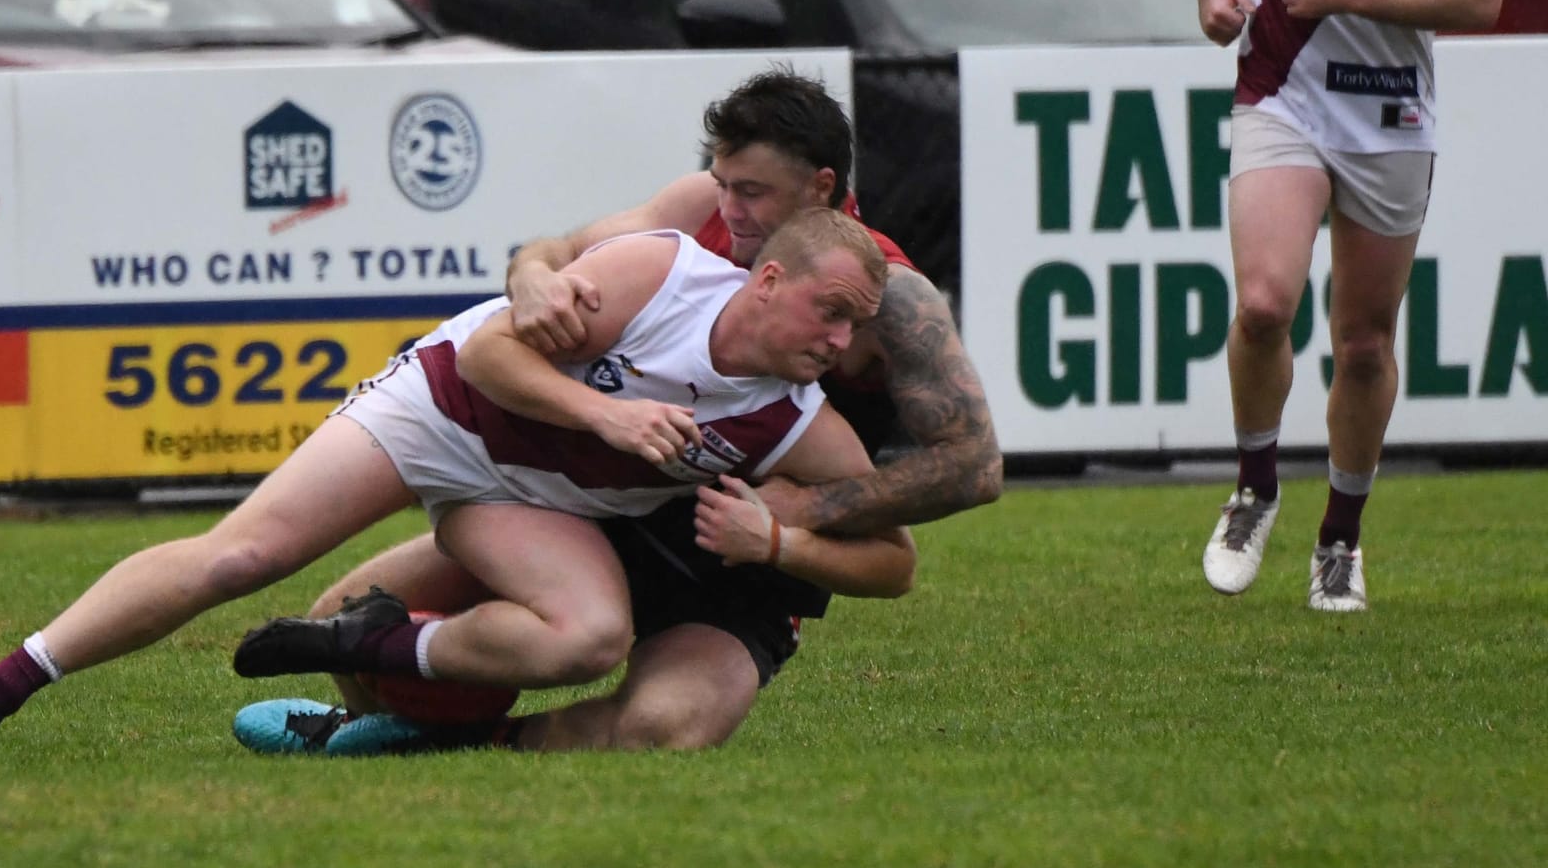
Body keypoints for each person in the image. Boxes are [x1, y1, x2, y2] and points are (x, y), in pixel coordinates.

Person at [0, 209, 899, 765]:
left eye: (855, 329)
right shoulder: (660, 274)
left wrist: (776, 544)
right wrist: (607, 415)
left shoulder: (798, 421)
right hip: (439, 414)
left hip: (526, 499)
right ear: (763, 282)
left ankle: (367, 645)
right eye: (829, 313)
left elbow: (891, 555)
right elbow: (486, 359)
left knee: (585, 640)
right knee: (243, 553)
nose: (839, 344)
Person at [234, 68, 1000, 755]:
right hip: (611, 494)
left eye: (752, 192)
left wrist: (792, 520)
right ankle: (379, 719)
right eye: (723, 183)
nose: (729, 209)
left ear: (821, 189)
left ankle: (467, 742)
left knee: (664, 729)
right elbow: (558, 251)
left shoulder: (888, 297)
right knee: (342, 616)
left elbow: (974, 464)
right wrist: (532, 278)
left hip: (740, 547)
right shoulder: (703, 208)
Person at [1194, 0, 1501, 611]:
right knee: (1261, 304)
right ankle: (1253, 485)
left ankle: (1341, 537)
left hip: (1387, 109)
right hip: (1280, 88)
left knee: (1364, 342)